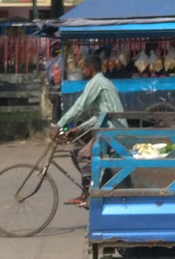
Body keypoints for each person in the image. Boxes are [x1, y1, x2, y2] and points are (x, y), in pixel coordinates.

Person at [51, 53, 125, 207]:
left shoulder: (96, 82)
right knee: (76, 152)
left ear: (91, 68)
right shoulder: (104, 81)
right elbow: (101, 115)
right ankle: (88, 191)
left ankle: (91, 195)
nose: (83, 71)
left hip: (112, 131)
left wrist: (59, 125)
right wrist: (79, 128)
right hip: (109, 127)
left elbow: (80, 106)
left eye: (84, 68)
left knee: (84, 154)